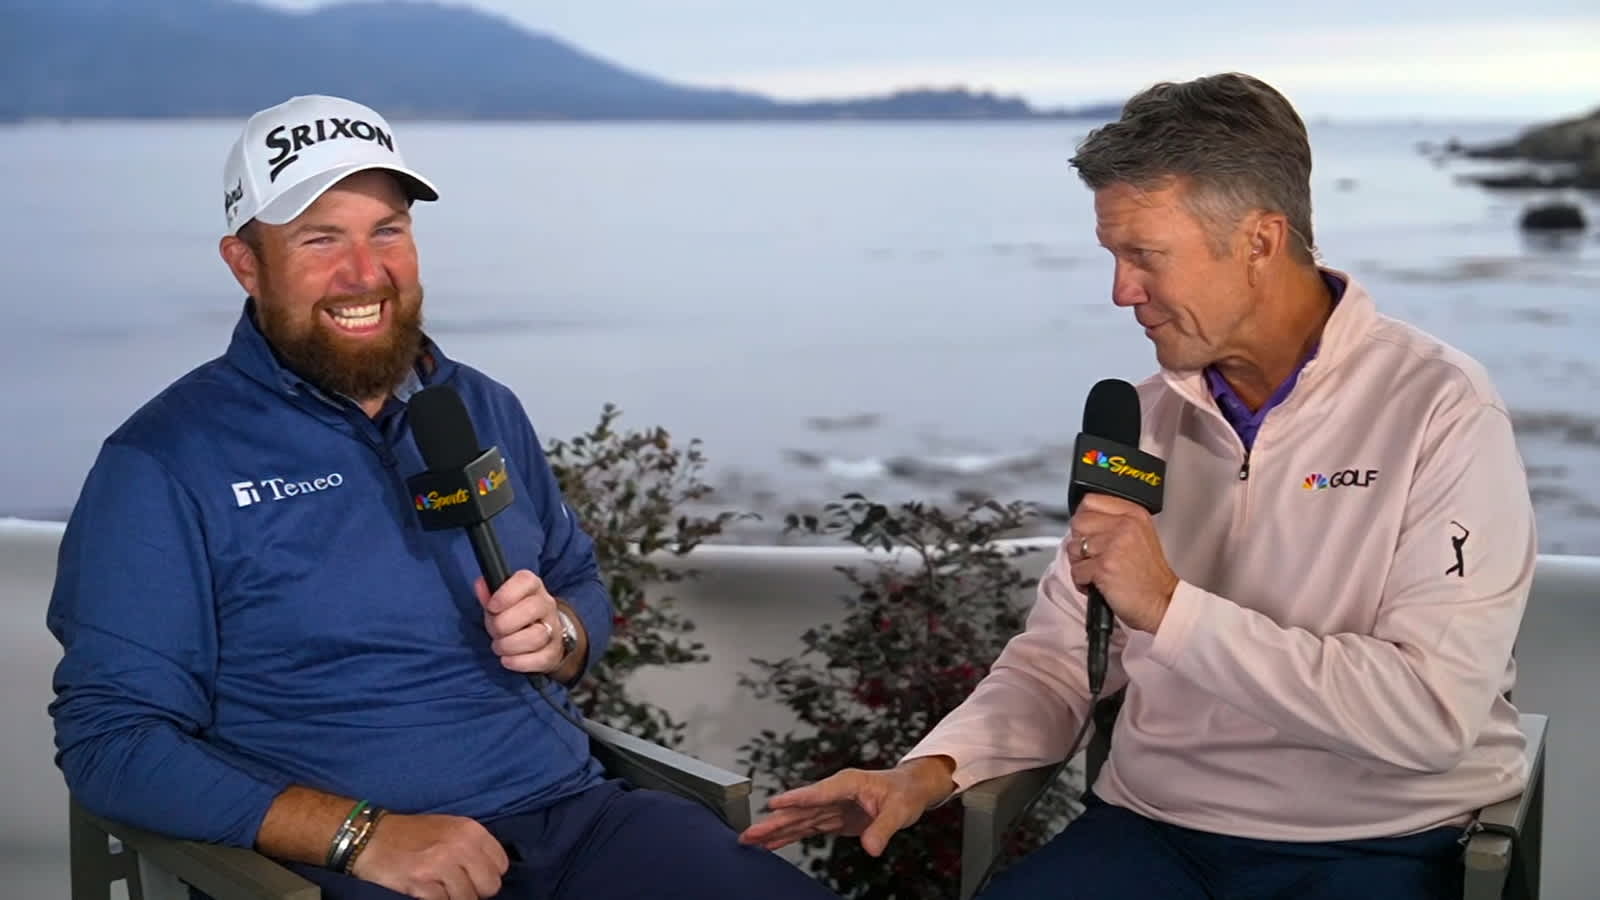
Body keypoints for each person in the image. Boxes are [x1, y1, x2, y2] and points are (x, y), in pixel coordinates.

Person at [738, 72, 1537, 899]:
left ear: (1260, 242)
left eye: (1145, 256)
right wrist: (928, 773)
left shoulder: (1441, 408)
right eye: (1114, 257)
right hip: (1152, 830)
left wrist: (1168, 608)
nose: (1121, 292)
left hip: (1381, 839)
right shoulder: (1143, 422)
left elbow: (1431, 715)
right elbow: (1061, 660)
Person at [47, 94, 838, 900]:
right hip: (359, 869)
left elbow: (578, 583)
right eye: (320, 239)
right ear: (246, 264)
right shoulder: (165, 461)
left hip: (579, 820)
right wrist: (360, 835)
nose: (364, 272)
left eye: (387, 231)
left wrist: (561, 633)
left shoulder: (477, 408)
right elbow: (111, 742)